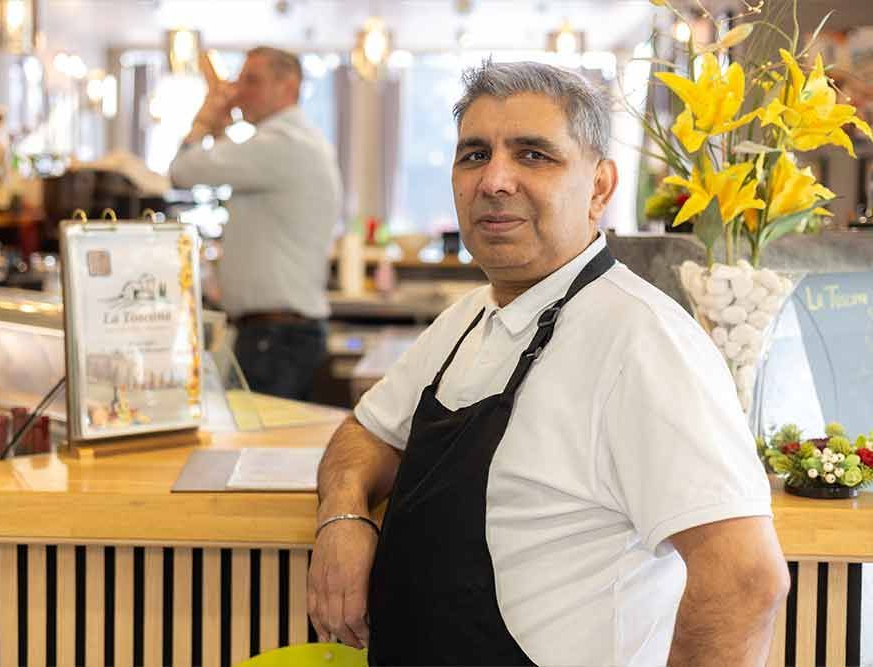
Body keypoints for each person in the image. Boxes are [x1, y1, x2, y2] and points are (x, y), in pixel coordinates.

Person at [307, 61, 789, 666]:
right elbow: (364, 434)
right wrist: (344, 514)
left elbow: (745, 581)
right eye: (475, 154)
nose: (495, 180)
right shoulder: (468, 318)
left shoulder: (644, 339)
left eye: (534, 155)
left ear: (600, 188)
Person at [170, 47, 342, 400]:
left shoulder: (280, 143)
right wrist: (219, 129)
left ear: (288, 87)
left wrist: (204, 119)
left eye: (252, 80)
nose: (237, 91)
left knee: (259, 452)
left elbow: (182, 171)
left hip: (275, 339)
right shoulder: (291, 142)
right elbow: (233, 164)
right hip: (279, 335)